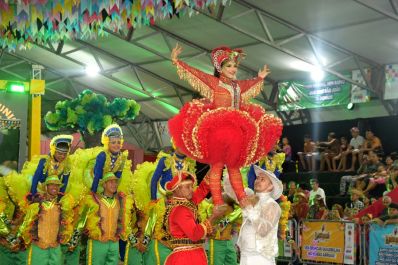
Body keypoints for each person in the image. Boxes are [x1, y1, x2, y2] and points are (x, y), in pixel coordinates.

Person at [168, 44, 282, 208]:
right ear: (219, 68)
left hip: (237, 133)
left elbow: (249, 84)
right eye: (229, 66)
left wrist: (260, 78)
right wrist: (176, 61)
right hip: (217, 132)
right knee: (217, 166)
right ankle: (218, 202)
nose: (233, 69)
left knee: (233, 167)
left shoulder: (237, 86)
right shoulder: (215, 83)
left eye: (235, 66)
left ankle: (242, 199)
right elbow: (196, 73)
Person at [164, 172, 224, 265]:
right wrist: (213, 217)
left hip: (190, 255)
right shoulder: (180, 210)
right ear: (177, 189)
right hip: (186, 258)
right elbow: (195, 234)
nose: (191, 190)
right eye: (188, 187)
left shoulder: (185, 204)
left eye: (192, 186)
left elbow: (201, 191)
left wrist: (214, 170)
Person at [15, 176, 76, 265]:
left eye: (57, 185)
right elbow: (26, 223)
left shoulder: (62, 205)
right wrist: (18, 238)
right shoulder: (37, 204)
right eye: (51, 185)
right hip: (38, 246)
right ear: (46, 187)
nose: (54, 187)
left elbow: (67, 225)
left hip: (55, 247)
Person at [81, 172, 134, 265]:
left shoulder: (120, 201)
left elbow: (124, 223)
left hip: (114, 243)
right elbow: (82, 220)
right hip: (97, 242)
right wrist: (74, 238)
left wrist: (134, 240)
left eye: (115, 182)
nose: (114, 185)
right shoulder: (94, 199)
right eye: (111, 182)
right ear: (104, 184)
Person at [237, 165, 282, 265]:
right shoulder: (252, 201)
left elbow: (263, 230)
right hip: (245, 254)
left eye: (262, 179)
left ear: (271, 186)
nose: (258, 181)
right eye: (257, 178)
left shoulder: (272, 205)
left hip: (261, 257)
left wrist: (249, 208)